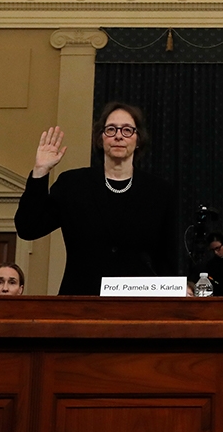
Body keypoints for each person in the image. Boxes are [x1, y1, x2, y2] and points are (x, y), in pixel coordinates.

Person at [14, 102, 177, 296]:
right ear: (100, 138)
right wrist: (40, 172)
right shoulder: (73, 184)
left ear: (138, 139)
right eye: (111, 130)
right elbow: (28, 228)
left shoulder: (159, 192)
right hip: (81, 302)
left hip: (139, 307)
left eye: (127, 130)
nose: (118, 136)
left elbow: (167, 260)